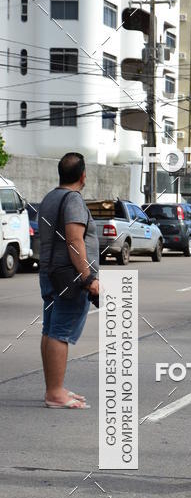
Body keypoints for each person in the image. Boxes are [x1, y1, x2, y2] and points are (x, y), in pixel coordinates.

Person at [38, 152, 99, 409]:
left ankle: (54, 388)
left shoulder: (50, 197)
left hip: (51, 273)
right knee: (60, 332)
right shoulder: (73, 200)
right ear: (83, 175)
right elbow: (75, 241)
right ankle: (55, 393)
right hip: (70, 277)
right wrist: (88, 278)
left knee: (51, 330)